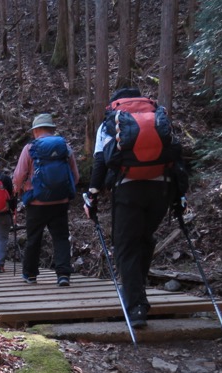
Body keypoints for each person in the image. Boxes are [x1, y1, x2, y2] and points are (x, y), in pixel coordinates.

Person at [84, 87, 185, 328]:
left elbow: (100, 162)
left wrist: (92, 195)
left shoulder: (111, 122)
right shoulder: (158, 118)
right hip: (161, 189)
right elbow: (177, 156)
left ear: (116, 103)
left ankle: (136, 307)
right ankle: (137, 294)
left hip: (128, 188)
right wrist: (180, 195)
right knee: (144, 240)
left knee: (126, 246)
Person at [13, 114, 79, 286]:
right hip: (60, 202)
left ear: (35, 130)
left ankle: (30, 274)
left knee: (34, 237)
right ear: (52, 128)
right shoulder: (65, 146)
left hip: (36, 202)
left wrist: (18, 191)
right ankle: (63, 274)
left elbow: (19, 176)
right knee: (61, 237)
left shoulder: (29, 148)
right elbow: (75, 176)